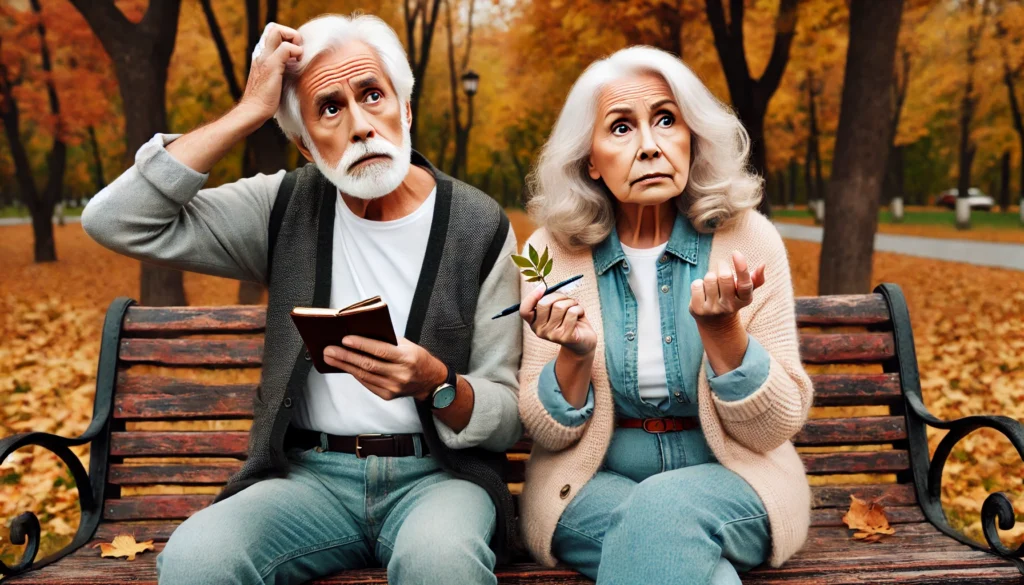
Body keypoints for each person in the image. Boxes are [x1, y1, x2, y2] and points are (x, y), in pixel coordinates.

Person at [81, 13, 522, 585]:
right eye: (330, 109)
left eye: (372, 95)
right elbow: (113, 220)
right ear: (307, 147)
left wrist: (437, 382)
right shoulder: (284, 206)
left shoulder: (477, 224)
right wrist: (248, 112)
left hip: (438, 480)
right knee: (199, 558)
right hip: (309, 480)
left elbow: (509, 415)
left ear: (406, 109)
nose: (361, 125)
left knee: (440, 562)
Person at [515, 46, 814, 585]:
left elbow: (777, 426)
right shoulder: (549, 253)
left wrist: (725, 334)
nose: (650, 146)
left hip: (734, 477)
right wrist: (574, 356)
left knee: (663, 511)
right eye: (621, 128)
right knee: (687, 554)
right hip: (589, 482)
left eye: (666, 120)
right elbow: (548, 432)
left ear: (691, 137)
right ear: (590, 159)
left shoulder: (748, 238)